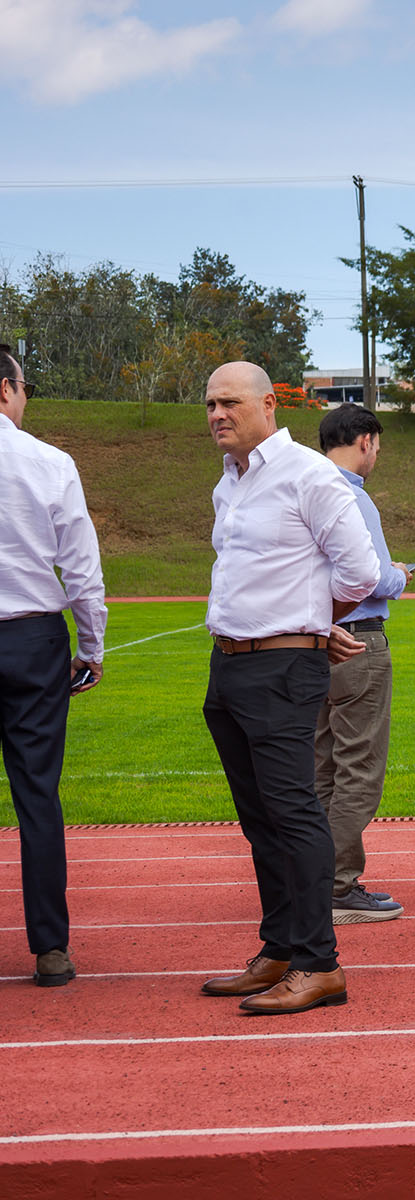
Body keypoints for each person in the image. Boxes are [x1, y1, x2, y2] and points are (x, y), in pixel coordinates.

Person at [197, 362, 379, 1015]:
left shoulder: (309, 474)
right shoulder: (230, 484)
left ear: (269, 404)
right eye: (210, 404)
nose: (217, 414)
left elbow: (361, 570)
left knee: (294, 810)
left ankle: (318, 964)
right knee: (260, 820)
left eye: (229, 403)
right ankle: (279, 948)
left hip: (282, 667)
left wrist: (311, 620)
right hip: (229, 664)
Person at [0, 344, 106, 987]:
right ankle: (50, 949)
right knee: (37, 794)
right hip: (33, 639)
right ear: (7, 389)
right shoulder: (48, 462)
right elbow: (82, 568)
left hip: (31, 634)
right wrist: (91, 648)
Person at [313, 404, 411, 925]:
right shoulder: (351, 496)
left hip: (313, 641)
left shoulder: (303, 486)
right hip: (358, 641)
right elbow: (370, 578)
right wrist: (398, 575)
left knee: (322, 766)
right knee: (360, 770)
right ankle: (334, 884)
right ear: (366, 440)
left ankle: (319, 879)